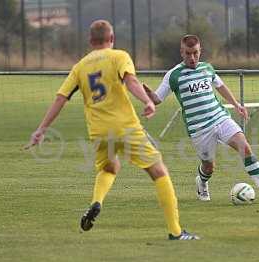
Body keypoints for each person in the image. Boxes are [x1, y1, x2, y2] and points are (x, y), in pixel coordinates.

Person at [26, 20, 199, 240]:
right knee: (159, 171)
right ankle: (176, 231)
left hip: (99, 132)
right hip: (125, 127)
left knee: (109, 167)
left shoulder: (80, 66)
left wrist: (41, 129)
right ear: (112, 38)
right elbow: (131, 81)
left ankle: (96, 202)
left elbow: (61, 98)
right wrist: (147, 101)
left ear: (91, 41)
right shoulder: (119, 56)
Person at [144, 34, 259, 203]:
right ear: (181, 52)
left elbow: (220, 86)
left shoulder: (207, 68)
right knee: (209, 167)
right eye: (188, 53)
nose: (192, 57)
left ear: (200, 51)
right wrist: (147, 94)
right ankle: (201, 182)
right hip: (199, 129)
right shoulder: (173, 75)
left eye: (195, 53)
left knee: (244, 147)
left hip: (220, 118)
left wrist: (236, 105)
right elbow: (157, 99)